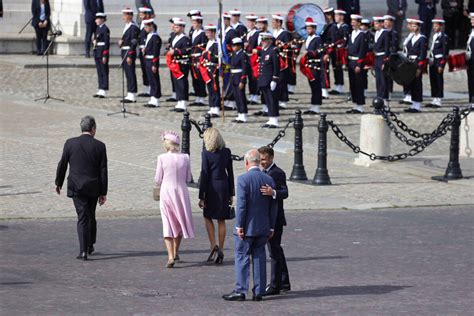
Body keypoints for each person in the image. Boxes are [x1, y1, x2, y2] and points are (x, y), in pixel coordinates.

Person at [222, 149, 277, 302]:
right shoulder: (268, 180)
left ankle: (241, 290)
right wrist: (271, 226)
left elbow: (242, 205)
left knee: (242, 257)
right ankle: (259, 291)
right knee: (259, 257)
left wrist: (239, 225)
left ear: (247, 162)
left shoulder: (243, 180)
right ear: (259, 162)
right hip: (263, 226)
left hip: (247, 227)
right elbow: (274, 206)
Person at [55, 116, 108, 261]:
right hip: (93, 186)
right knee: (91, 215)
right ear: (93, 129)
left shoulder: (70, 143)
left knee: (82, 217)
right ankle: (90, 244)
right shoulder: (100, 146)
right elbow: (103, 170)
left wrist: (58, 182)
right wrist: (103, 192)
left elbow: (63, 164)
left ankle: (83, 250)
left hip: (76, 186)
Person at [154, 131, 194, 268]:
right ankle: (176, 251)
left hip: (167, 192)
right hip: (182, 192)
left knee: (168, 222)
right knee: (178, 222)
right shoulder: (185, 157)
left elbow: (157, 179)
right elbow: (189, 178)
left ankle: (170, 256)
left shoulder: (161, 158)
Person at [198, 128, 235, 264]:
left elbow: (204, 174)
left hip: (211, 187)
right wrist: (232, 193)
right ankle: (222, 248)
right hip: (224, 186)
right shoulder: (226, 152)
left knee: (207, 216)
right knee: (221, 220)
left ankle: (213, 245)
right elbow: (230, 173)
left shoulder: (206, 154)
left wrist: (201, 195)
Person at [258, 146, 291, 296]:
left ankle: (275, 285)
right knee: (277, 250)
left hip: (276, 219)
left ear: (271, 158)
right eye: (260, 159)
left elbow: (285, 192)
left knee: (274, 252)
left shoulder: (278, 173)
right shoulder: (262, 172)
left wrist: (273, 193)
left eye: (264, 159)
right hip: (268, 217)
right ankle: (284, 282)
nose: (261, 162)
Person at [346, 14, 369, 114]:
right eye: (352, 21)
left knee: (359, 84)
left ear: (359, 23)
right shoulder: (351, 34)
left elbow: (362, 51)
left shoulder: (362, 35)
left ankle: (360, 106)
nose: (352, 23)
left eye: (355, 22)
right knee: (353, 84)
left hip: (357, 61)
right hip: (351, 61)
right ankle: (355, 104)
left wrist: (359, 65)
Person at [404, 18, 428, 113]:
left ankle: (417, 105)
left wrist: (419, 67)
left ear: (418, 27)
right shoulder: (412, 37)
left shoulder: (422, 38)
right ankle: (413, 104)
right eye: (412, 26)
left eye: (415, 26)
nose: (413, 28)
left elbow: (422, 54)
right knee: (411, 83)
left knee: (417, 84)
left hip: (416, 62)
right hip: (410, 62)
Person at [258, 32, 281, 128]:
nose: (262, 42)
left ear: (270, 41)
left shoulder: (273, 50)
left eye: (264, 40)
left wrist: (274, 80)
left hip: (270, 79)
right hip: (264, 79)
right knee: (267, 99)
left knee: (272, 99)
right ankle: (270, 119)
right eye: (262, 40)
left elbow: (276, 67)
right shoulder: (264, 51)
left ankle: (274, 119)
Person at [301, 17, 323, 115]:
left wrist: (308, 52)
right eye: (307, 28)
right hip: (309, 65)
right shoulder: (308, 38)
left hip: (315, 65)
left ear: (314, 29)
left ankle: (316, 106)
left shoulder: (317, 39)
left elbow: (318, 52)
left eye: (309, 28)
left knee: (316, 86)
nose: (307, 30)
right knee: (312, 86)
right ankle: (313, 105)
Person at [168, 18, 191, 112]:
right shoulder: (174, 37)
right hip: (175, 63)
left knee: (182, 82)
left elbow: (187, 50)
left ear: (182, 28)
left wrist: (175, 51)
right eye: (175, 26)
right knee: (176, 83)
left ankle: (183, 102)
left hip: (182, 63)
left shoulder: (185, 39)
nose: (175, 28)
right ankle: (179, 101)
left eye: (177, 27)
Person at [119, 8, 140, 103]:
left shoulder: (133, 27)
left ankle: (132, 94)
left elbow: (133, 43)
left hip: (129, 52)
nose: (123, 17)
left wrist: (130, 56)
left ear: (130, 16)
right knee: (127, 73)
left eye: (125, 15)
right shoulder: (127, 26)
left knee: (131, 73)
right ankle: (129, 93)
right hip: (124, 50)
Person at [427, 18, 449, 108]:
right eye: (434, 26)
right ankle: (434, 98)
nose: (434, 27)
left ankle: (439, 99)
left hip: (438, 61)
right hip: (432, 61)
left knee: (439, 80)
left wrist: (442, 64)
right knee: (433, 79)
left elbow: (445, 52)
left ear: (441, 26)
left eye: (436, 26)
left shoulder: (444, 37)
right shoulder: (435, 36)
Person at [272, 13, 291, 108]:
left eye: (274, 22)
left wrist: (280, 45)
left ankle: (283, 100)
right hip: (274, 59)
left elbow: (287, 46)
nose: (272, 23)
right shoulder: (273, 33)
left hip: (282, 60)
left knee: (282, 80)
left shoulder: (285, 33)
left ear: (279, 23)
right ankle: (277, 98)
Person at [201, 24, 221, 118]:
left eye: (208, 32)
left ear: (213, 32)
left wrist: (206, 54)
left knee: (214, 87)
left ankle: (216, 107)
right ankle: (212, 106)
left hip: (213, 69)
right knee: (210, 88)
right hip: (207, 68)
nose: (207, 34)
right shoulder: (209, 42)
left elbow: (216, 58)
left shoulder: (216, 44)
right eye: (206, 32)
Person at [142, 19, 162, 108]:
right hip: (147, 60)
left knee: (154, 79)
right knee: (150, 79)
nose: (145, 29)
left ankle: (156, 98)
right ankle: (152, 97)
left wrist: (154, 64)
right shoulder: (149, 36)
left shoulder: (155, 37)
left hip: (152, 61)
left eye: (147, 27)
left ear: (151, 27)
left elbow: (155, 52)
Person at [189, 15, 208, 106]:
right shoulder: (193, 32)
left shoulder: (202, 33)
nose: (193, 25)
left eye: (195, 23)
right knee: (195, 78)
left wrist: (200, 60)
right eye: (192, 23)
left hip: (198, 57)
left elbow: (203, 48)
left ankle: (202, 97)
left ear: (200, 23)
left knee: (200, 78)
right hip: (193, 57)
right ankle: (197, 96)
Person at [230, 38, 249, 123]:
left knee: (241, 96)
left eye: (234, 45)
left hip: (239, 77)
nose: (233, 47)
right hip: (234, 77)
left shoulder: (243, 55)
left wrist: (243, 81)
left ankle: (243, 114)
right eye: (232, 45)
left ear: (239, 46)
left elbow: (245, 69)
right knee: (236, 96)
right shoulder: (234, 54)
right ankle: (239, 114)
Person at [373, 16, 391, 103]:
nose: (375, 25)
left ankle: (384, 97)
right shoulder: (376, 33)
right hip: (376, 57)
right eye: (374, 23)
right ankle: (379, 96)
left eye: (377, 23)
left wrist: (385, 61)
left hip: (382, 57)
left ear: (381, 24)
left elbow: (387, 48)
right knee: (378, 79)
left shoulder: (385, 33)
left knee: (383, 78)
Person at [92, 12, 110, 99]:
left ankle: (104, 89)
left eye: (97, 19)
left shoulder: (105, 29)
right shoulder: (98, 28)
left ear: (102, 19)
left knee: (104, 71)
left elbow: (106, 43)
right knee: (99, 71)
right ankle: (100, 87)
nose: (96, 21)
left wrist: (105, 55)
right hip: (97, 51)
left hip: (102, 51)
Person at [137, 6, 153, 98]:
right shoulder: (142, 24)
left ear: (147, 14)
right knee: (144, 70)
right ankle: (146, 88)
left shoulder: (151, 25)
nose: (140, 15)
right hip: (141, 49)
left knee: (149, 71)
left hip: (147, 51)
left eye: (142, 14)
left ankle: (151, 88)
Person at [245, 13, 260, 105]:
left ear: (254, 23)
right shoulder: (247, 32)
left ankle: (256, 95)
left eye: (251, 22)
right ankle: (251, 94)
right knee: (248, 77)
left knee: (254, 77)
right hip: (246, 56)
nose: (249, 24)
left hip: (253, 57)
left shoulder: (257, 33)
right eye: (248, 22)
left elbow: (257, 46)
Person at [466, 12, 474, 105]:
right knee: (471, 80)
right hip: (471, 60)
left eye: (473, 19)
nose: (471, 21)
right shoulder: (471, 31)